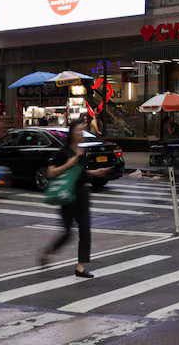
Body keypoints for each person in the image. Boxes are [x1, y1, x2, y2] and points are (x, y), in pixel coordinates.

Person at [38, 117, 112, 275]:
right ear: (72, 133)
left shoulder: (82, 151)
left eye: (82, 130)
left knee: (85, 231)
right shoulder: (63, 152)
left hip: (82, 194)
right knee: (67, 232)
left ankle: (81, 267)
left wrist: (96, 173)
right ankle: (48, 251)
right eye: (78, 130)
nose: (81, 133)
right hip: (68, 195)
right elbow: (50, 172)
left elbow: (80, 172)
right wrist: (68, 164)